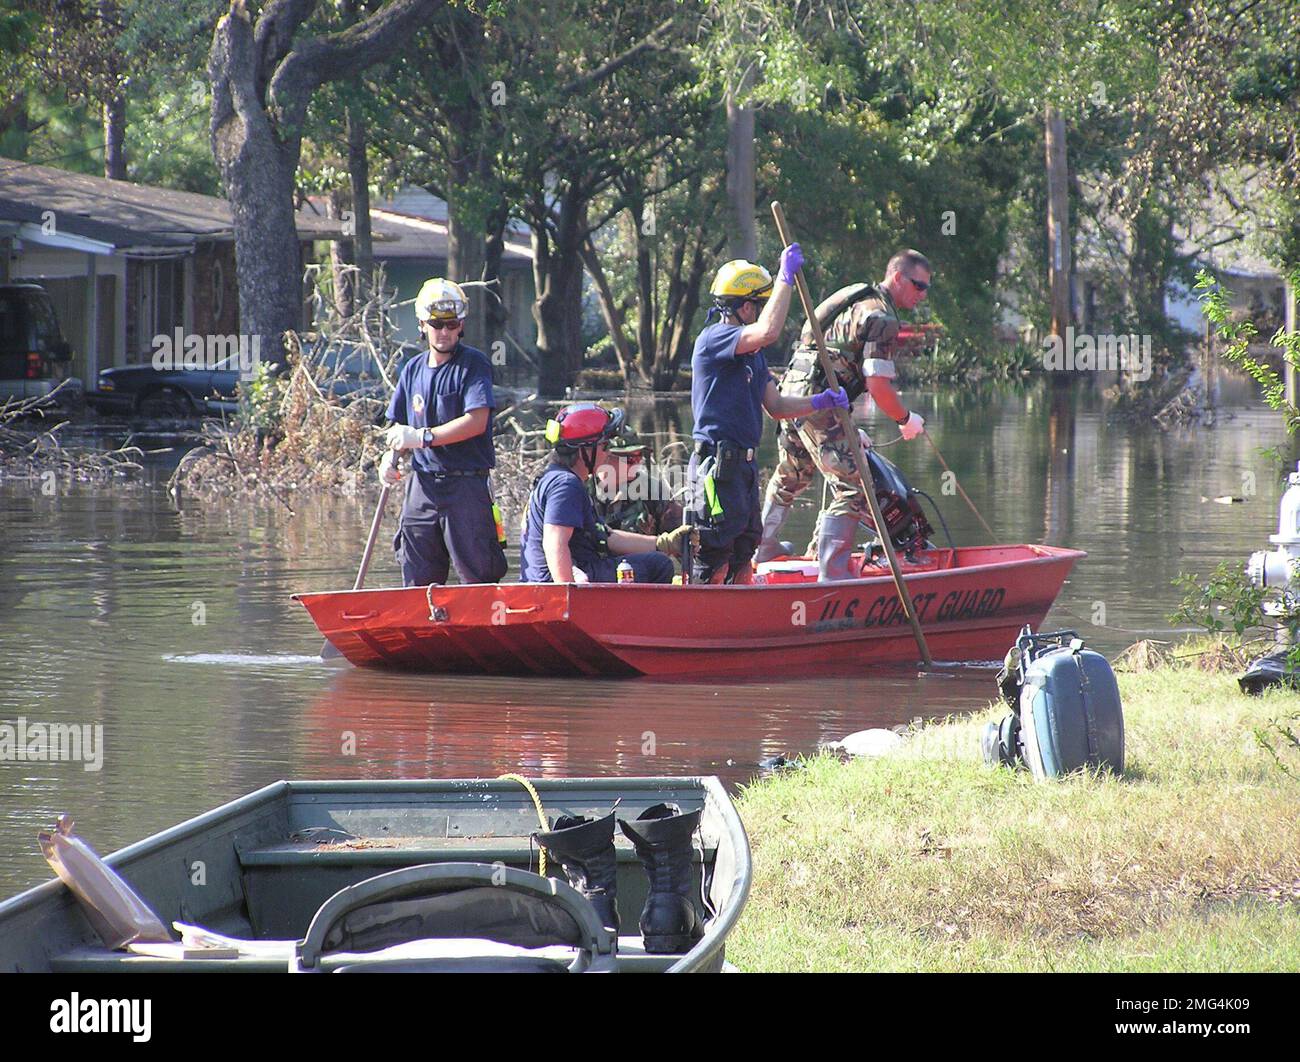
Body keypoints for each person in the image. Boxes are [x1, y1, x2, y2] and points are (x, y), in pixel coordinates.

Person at [756, 249, 932, 580]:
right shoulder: (882, 318)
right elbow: (878, 385)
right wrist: (906, 420)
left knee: (793, 474)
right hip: (819, 401)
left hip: (792, 391)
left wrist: (847, 422)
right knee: (855, 486)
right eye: (919, 286)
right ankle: (833, 574)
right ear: (897, 277)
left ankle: (763, 547)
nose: (922, 295)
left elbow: (831, 358)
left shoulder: (853, 296)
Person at [688, 245, 850, 584]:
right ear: (746, 307)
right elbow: (768, 331)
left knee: (746, 550)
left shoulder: (754, 357)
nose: (762, 313)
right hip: (717, 468)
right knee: (716, 553)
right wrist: (784, 277)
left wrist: (820, 402)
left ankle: (744, 622)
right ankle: (707, 621)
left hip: (744, 469)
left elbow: (776, 407)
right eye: (759, 306)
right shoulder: (714, 339)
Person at [379, 277, 508, 586]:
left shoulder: (473, 365)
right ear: (423, 324)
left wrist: (424, 437)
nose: (445, 331)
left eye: (451, 324)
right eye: (437, 324)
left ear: (461, 324)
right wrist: (390, 456)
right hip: (421, 487)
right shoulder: (412, 369)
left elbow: (476, 421)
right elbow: (399, 424)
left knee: (477, 573)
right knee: (416, 568)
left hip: (465, 486)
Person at [519, 403, 688, 584]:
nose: (607, 453)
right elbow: (554, 544)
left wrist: (665, 544)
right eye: (605, 445)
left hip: (575, 572)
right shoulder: (566, 485)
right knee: (658, 565)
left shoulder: (558, 479)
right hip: (558, 585)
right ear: (586, 449)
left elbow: (606, 537)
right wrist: (568, 598)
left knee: (656, 558)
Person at [589, 431, 684, 537]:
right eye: (630, 459)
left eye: (640, 456)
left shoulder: (653, 489)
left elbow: (678, 537)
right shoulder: (582, 488)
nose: (637, 462)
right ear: (606, 457)